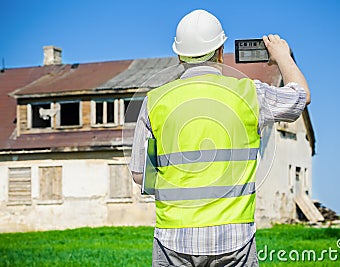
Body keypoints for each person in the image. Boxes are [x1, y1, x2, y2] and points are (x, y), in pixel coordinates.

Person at [129, 9, 311, 267]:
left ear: (179, 54)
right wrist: (283, 57)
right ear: (220, 51)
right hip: (234, 239)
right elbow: (301, 96)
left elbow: (139, 175)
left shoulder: (154, 102)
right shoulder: (249, 94)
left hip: (173, 239)